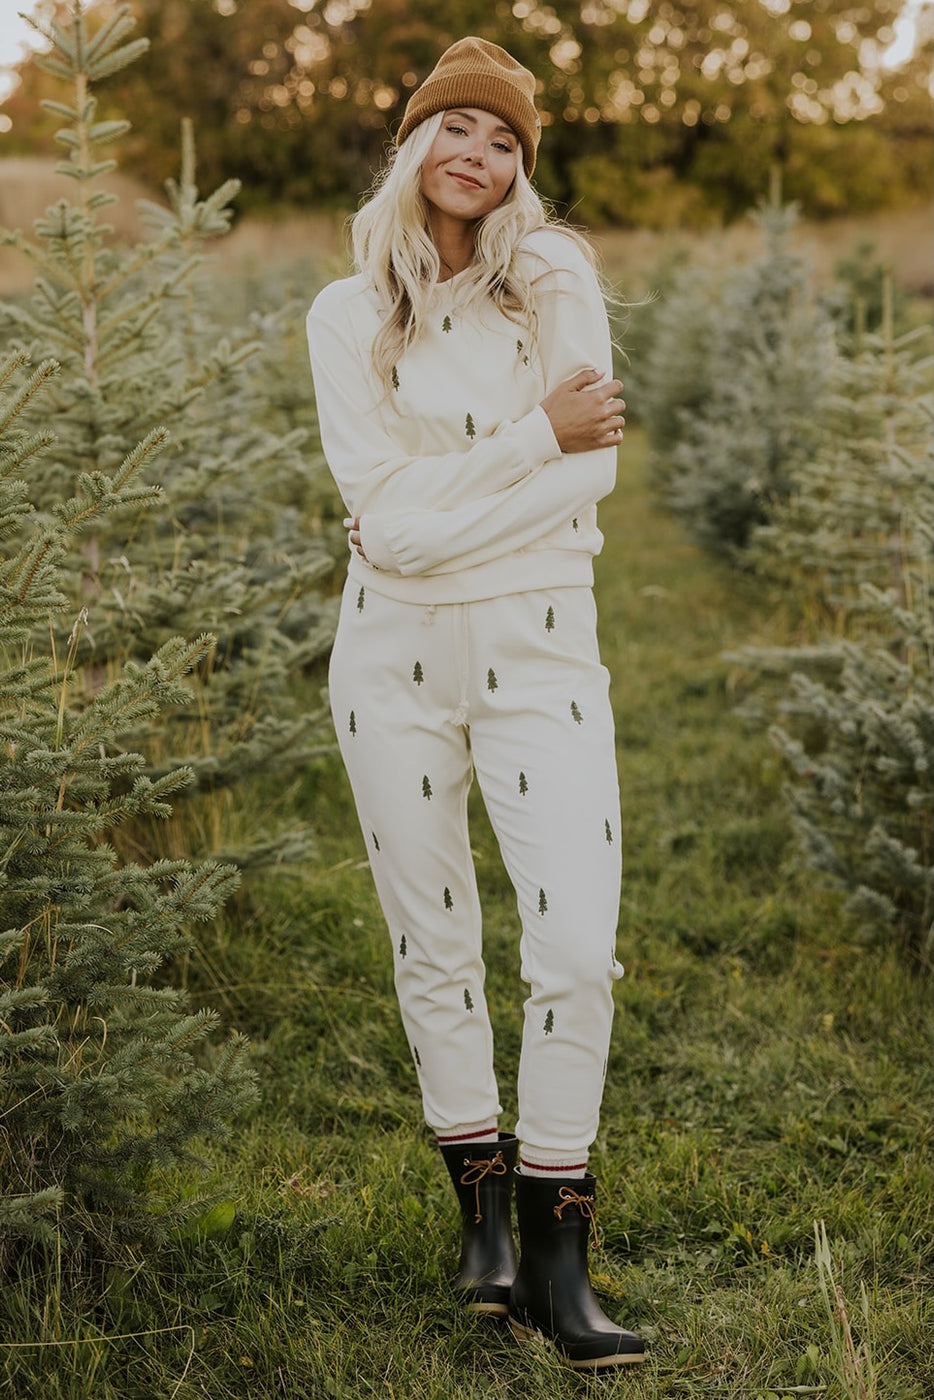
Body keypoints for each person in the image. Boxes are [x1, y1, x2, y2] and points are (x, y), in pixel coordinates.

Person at [306, 36, 644, 1371]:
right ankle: (482, 1218)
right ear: (411, 146)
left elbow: (593, 478)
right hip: (385, 666)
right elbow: (375, 517)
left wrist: (440, 512)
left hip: (543, 652)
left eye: (505, 141)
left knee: (572, 957)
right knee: (431, 941)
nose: (480, 157)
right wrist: (523, 446)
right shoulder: (345, 313)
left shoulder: (550, 274)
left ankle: (562, 1254)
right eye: (458, 129)